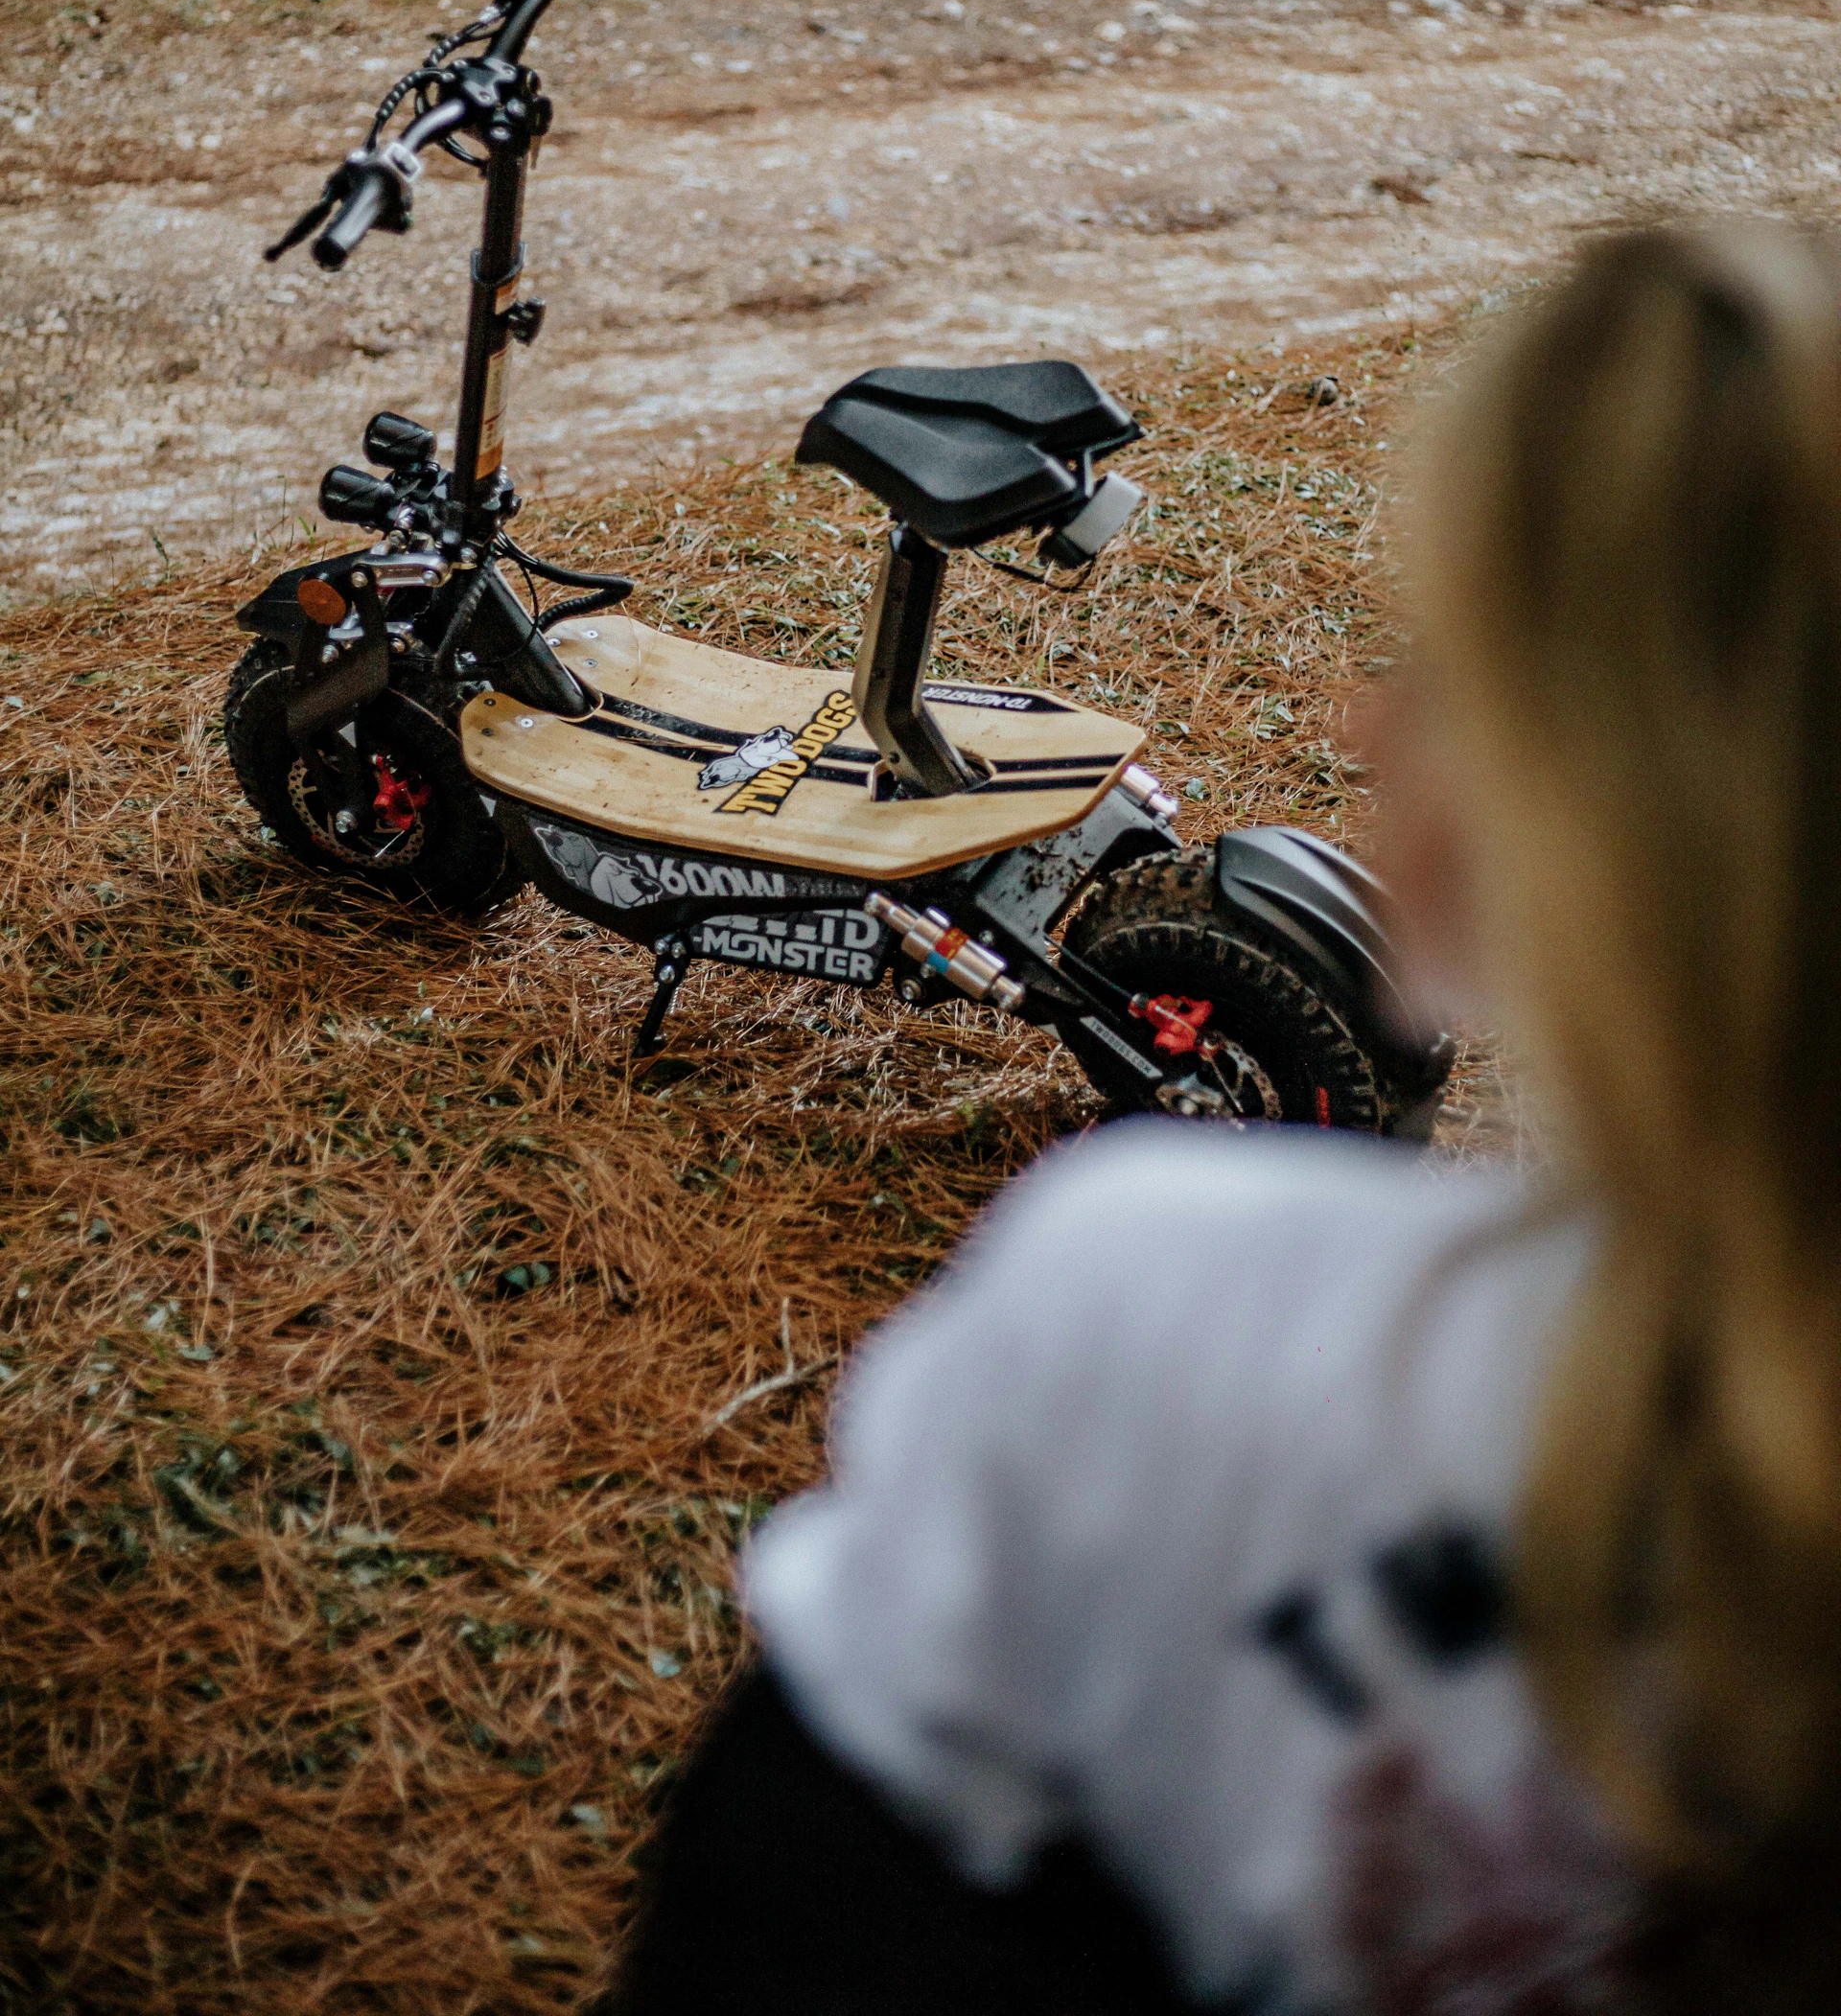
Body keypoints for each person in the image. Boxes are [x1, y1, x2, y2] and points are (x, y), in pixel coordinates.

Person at [602, 222, 1841, 2014]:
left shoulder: (1160, 1298)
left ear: (1501, 790)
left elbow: (764, 1939)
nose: (1367, 713)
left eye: (1437, 665)